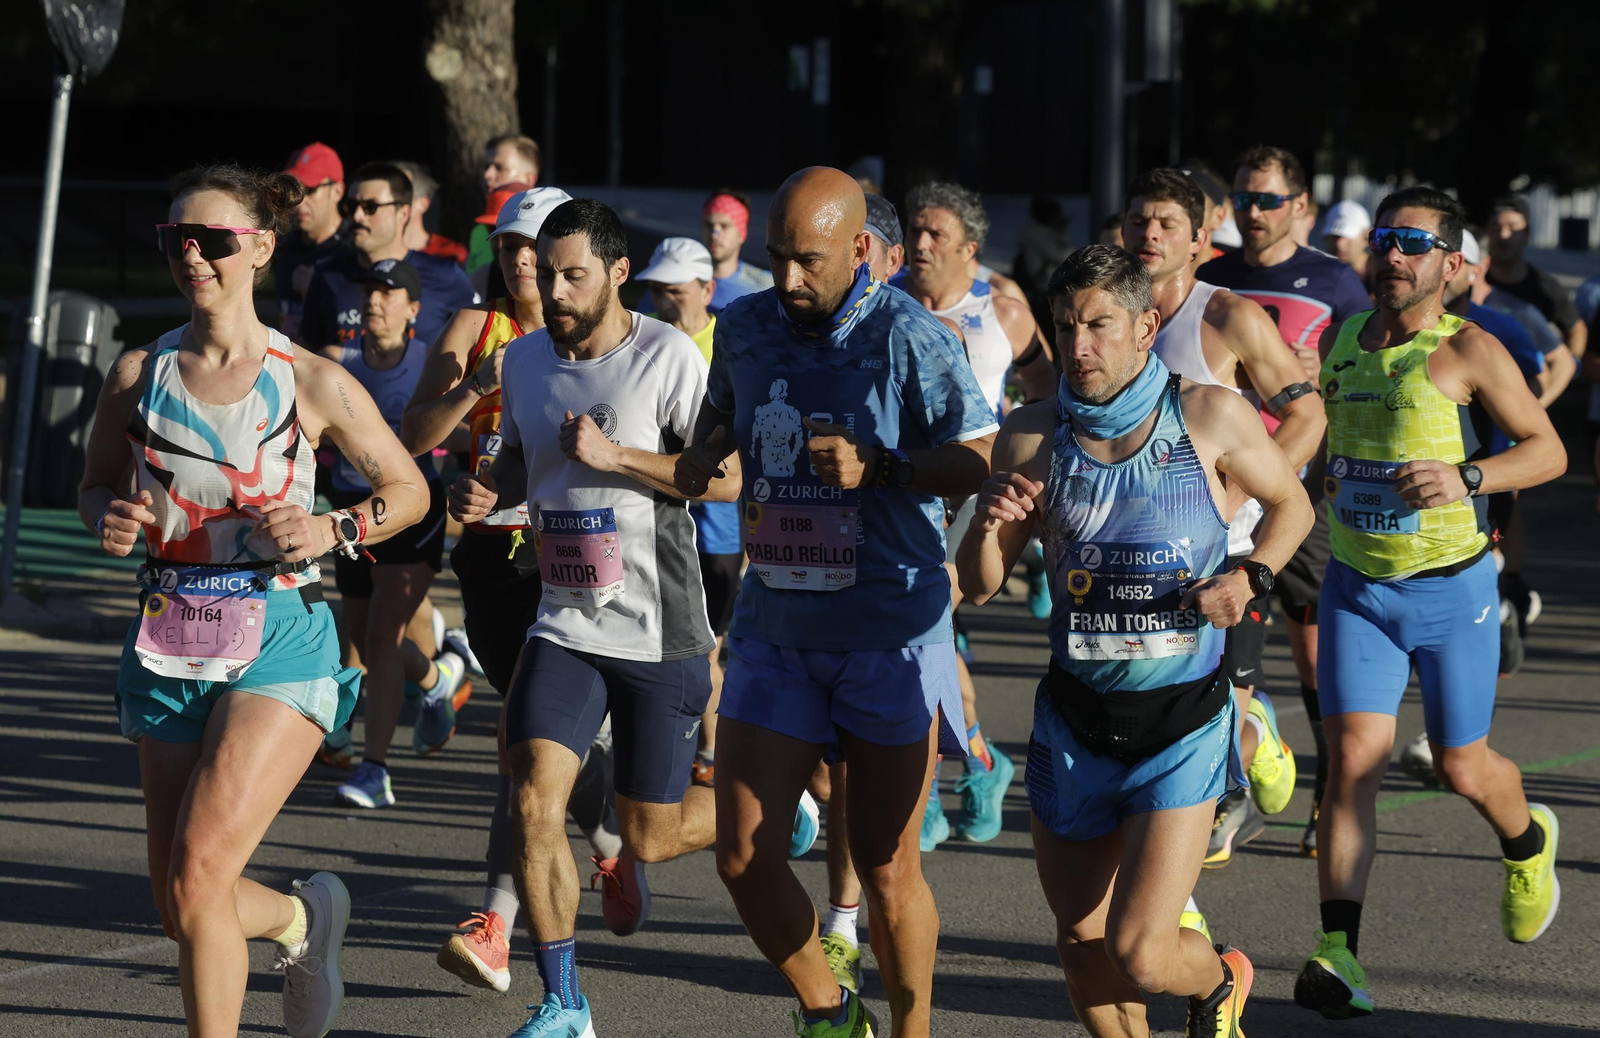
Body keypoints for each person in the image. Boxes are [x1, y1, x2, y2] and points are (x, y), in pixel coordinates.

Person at [78, 163, 430, 1038]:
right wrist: (109, 519)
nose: (193, 256)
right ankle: (303, 920)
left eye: (214, 240)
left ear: (262, 249)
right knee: (181, 903)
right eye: (177, 239)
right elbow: (93, 486)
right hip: (169, 635)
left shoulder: (308, 379)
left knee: (199, 878)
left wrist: (331, 529)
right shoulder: (138, 373)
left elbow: (409, 492)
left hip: (278, 632)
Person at [956, 243, 1313, 1038]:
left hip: (1179, 722)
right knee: (1081, 942)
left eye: (1098, 325)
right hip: (1074, 718)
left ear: (1147, 327)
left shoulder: (1210, 416)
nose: (1077, 345)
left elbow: (1294, 506)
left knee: (1143, 954)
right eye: (1063, 326)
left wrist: (1250, 577)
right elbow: (978, 585)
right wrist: (987, 522)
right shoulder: (1029, 435)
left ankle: (1221, 978)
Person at [680, 166, 998, 1038]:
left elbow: (978, 454)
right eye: (777, 256)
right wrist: (704, 452)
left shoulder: (911, 334)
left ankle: (914, 1031)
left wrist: (883, 467)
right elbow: (723, 412)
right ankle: (831, 1012)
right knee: (742, 856)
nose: (787, 279)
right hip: (776, 627)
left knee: (887, 867)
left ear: (860, 248)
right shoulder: (744, 325)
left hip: (887, 633)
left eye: (809, 261)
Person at [448, 198, 734, 1038]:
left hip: (657, 625)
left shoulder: (665, 355)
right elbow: (517, 462)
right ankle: (564, 1002)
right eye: (547, 273)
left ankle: (764, 800)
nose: (556, 290)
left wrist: (619, 458)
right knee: (534, 792)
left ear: (618, 272)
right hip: (564, 620)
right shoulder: (524, 360)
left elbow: (726, 478)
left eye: (575, 274)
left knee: (648, 835)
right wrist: (486, 491)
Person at [1296, 188, 1567, 1021]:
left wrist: (1468, 476)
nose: (1393, 255)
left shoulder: (1470, 350)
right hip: (1357, 588)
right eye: (1385, 238)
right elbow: (1327, 453)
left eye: (1414, 243)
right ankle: (1339, 952)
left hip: (1452, 593)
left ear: (1452, 264)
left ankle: (1527, 841)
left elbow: (1548, 451)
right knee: (1352, 762)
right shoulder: (1339, 341)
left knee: (1461, 767)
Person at [400, 186, 621, 996]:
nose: (522, 260)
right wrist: (472, 394)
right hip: (493, 562)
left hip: (575, 558)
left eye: (535, 245)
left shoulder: (604, 334)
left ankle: (494, 925)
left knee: (520, 741)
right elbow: (413, 435)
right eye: (509, 246)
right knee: (537, 748)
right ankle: (613, 836)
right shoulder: (475, 329)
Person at [1124, 168, 1328, 869]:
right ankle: (1249, 742)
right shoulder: (1108, 314)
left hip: (1225, 551)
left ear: (1200, 240)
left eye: (1167, 223)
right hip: (1128, 549)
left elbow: (1307, 415)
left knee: (1210, 726)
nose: (1149, 234)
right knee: (1145, 719)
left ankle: (1184, 891)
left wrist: (1240, 493)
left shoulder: (1228, 317)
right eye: (1139, 220)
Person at [1204, 145, 1372, 857]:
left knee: (1312, 657)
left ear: (1300, 205)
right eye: (1244, 198)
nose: (1254, 211)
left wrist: (1326, 367)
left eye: (1268, 199)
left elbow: (1373, 365)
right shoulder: (1212, 278)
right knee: (1216, 643)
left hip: (1300, 489)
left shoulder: (1334, 281)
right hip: (1222, 487)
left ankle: (1328, 798)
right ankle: (1228, 789)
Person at [893, 180, 1058, 848]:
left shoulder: (1004, 308)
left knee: (925, 617)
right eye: (915, 230)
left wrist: (1032, 474)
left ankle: (928, 786)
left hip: (977, 490)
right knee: (925, 633)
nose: (920, 243)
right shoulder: (884, 301)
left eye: (936, 233)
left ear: (969, 247)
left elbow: (1047, 391)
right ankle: (981, 761)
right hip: (903, 488)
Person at [312, 259, 471, 809]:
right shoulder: (337, 363)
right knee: (360, 637)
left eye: (388, 292)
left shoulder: (430, 363)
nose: (374, 301)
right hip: (352, 513)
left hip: (413, 511)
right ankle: (435, 681)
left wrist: (441, 425)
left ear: (413, 309)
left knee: (380, 637)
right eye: (369, 292)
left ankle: (374, 769)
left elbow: (466, 426)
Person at [634, 235, 739, 787]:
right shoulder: (645, 341)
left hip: (719, 531)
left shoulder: (730, 344)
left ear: (707, 288)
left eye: (676, 290)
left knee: (706, 650)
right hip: (657, 519)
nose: (665, 300)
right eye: (657, 290)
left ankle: (713, 754)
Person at [300, 162, 477, 348]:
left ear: (403, 213)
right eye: (351, 206)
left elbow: (477, 346)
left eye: (370, 207)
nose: (358, 216)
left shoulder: (446, 277)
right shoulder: (327, 275)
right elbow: (308, 352)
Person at [1484, 194, 1588, 361]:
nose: (1503, 234)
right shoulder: (1472, 282)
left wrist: (1571, 366)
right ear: (1487, 231)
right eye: (1496, 226)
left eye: (1512, 227)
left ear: (1527, 234)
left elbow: (1576, 330)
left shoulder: (1544, 287)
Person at [274, 142, 346, 341]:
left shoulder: (354, 250)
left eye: (310, 189)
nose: (299, 201)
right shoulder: (283, 247)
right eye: (293, 190)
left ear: (337, 191)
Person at [467, 134, 543, 275]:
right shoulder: (479, 231)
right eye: (487, 167)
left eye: (499, 168)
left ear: (529, 178)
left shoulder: (547, 227)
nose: (487, 174)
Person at [702, 189, 775, 308]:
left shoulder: (767, 286)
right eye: (709, 225)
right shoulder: (683, 281)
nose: (714, 234)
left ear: (742, 233)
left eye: (724, 226)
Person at [391, 159, 467, 263]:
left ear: (423, 204)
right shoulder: (372, 253)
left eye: (400, 197)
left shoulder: (450, 255)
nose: (389, 205)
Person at [1321, 200, 1373, 287]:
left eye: (1348, 236)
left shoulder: (1382, 277)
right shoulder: (1321, 278)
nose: (1339, 245)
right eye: (1334, 236)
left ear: (1367, 238)